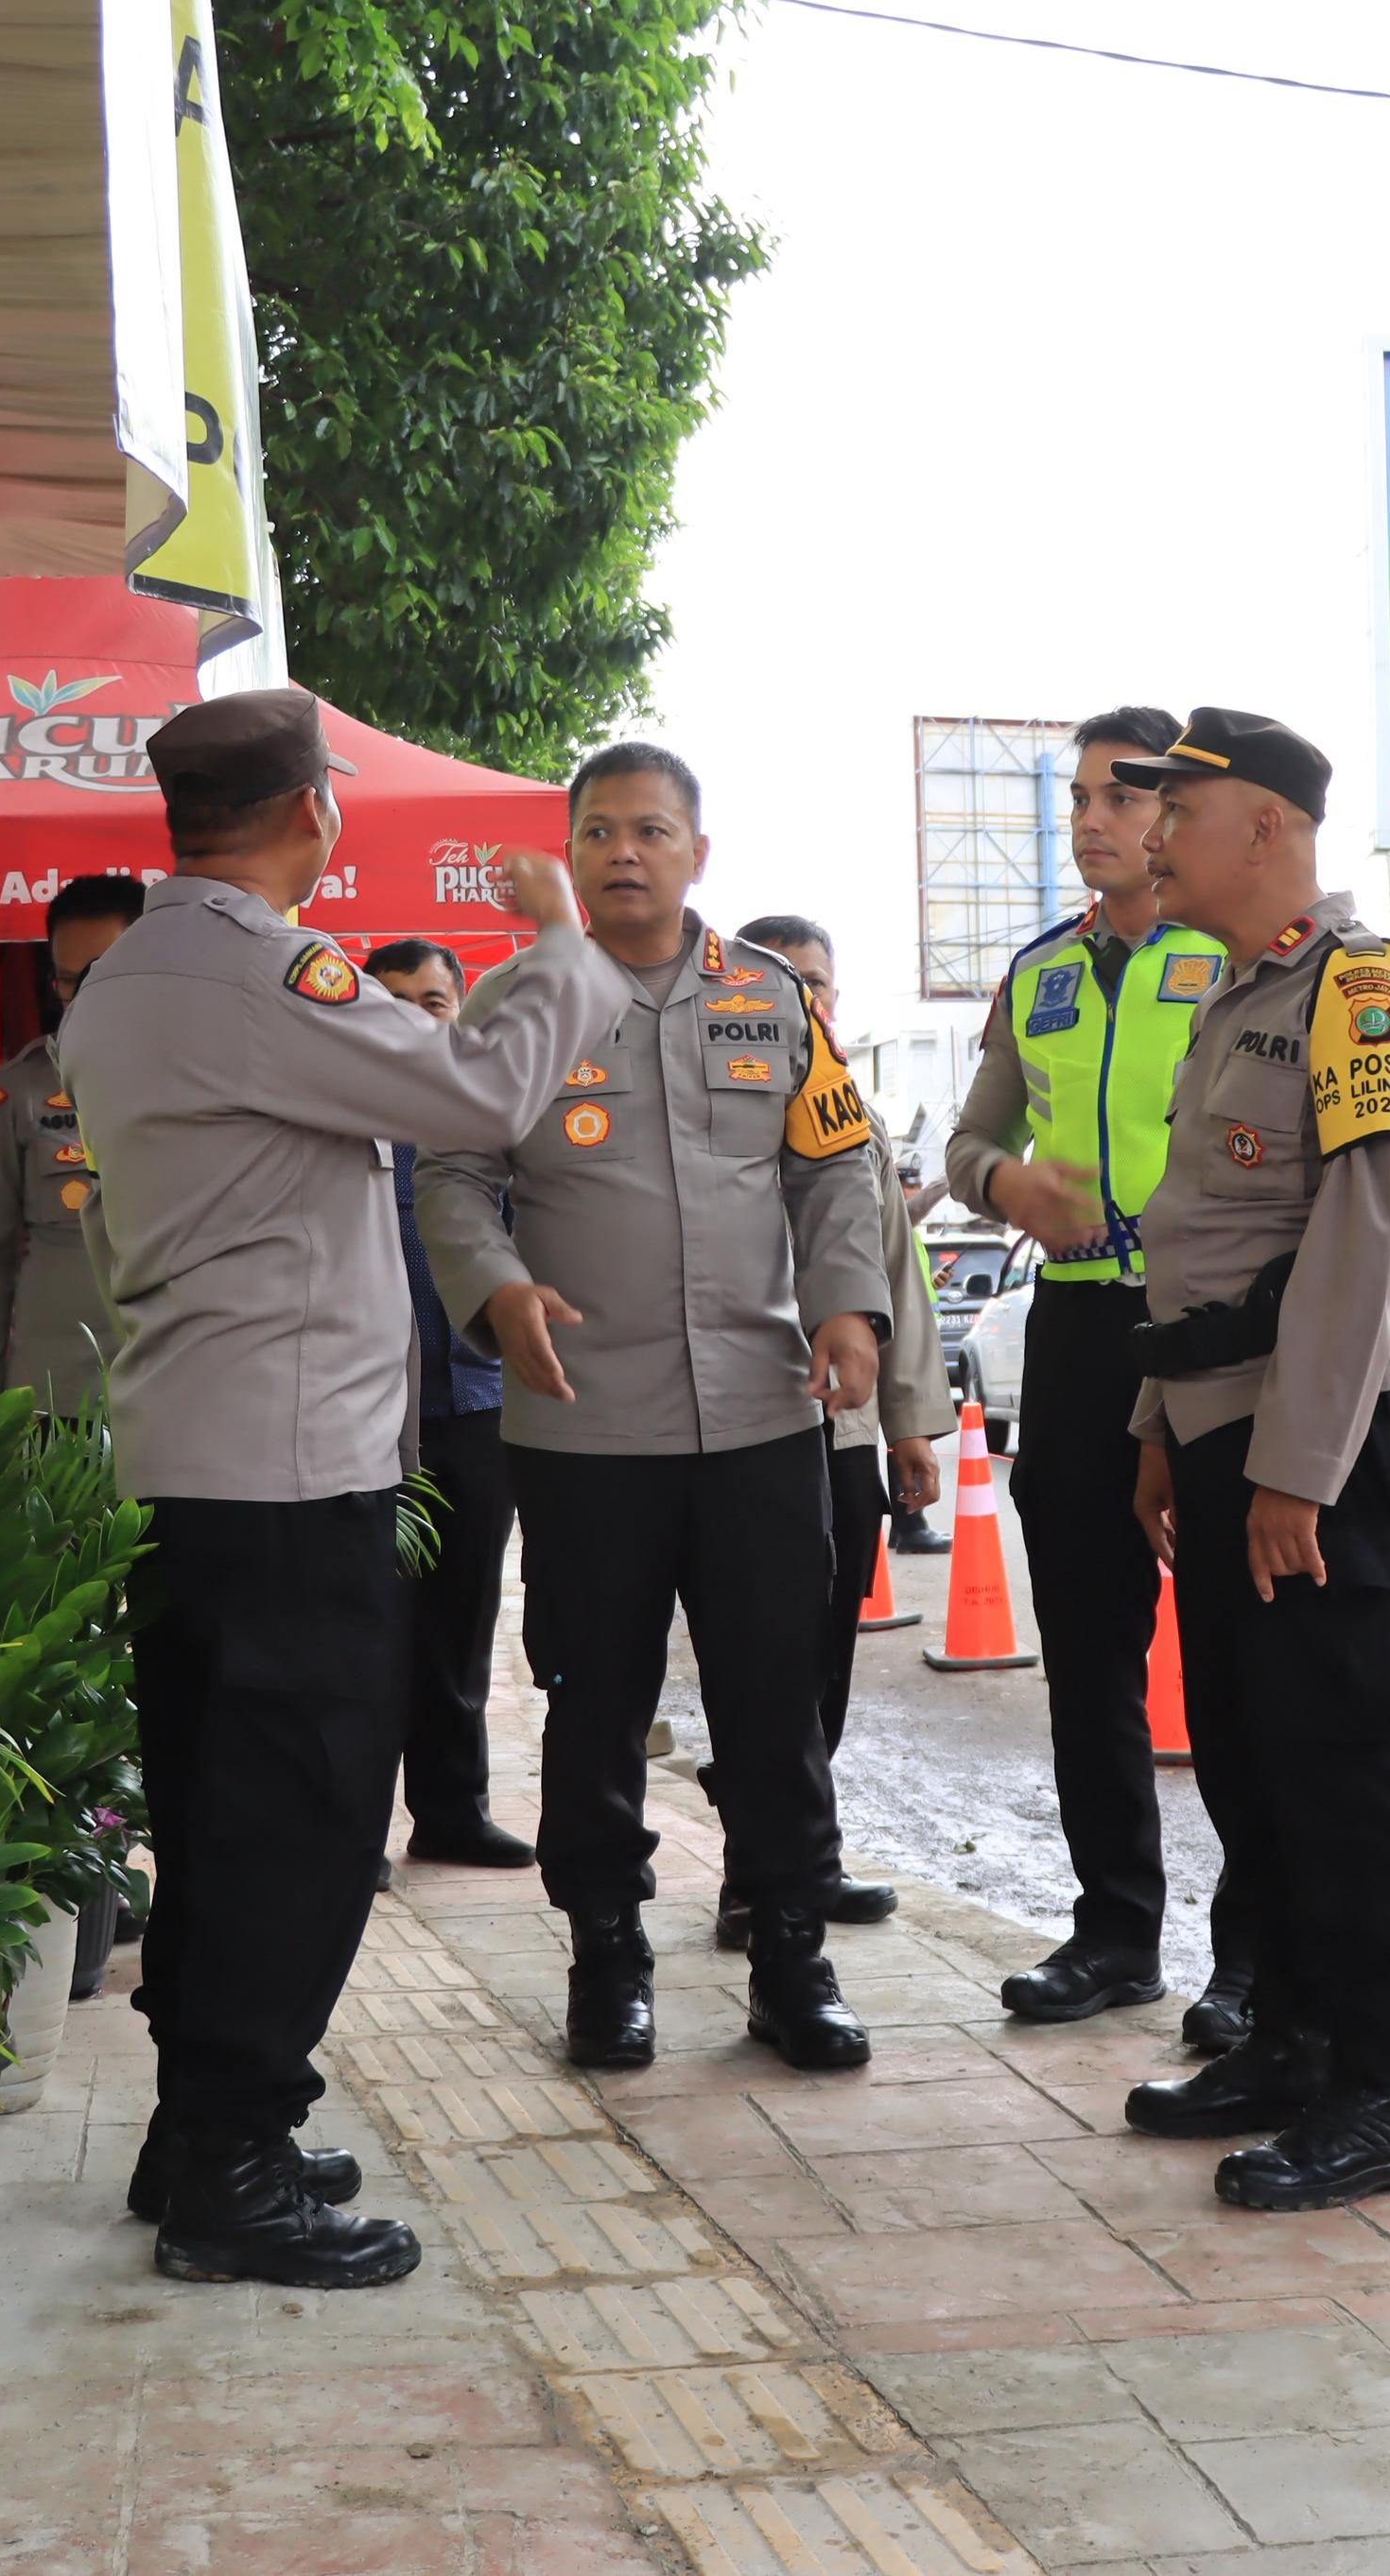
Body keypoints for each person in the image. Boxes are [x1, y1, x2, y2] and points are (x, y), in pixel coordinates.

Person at [58, 689, 627, 2291]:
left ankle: (201, 2127)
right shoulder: (260, 969)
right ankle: (233, 2167)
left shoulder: (120, 982)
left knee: (214, 1804)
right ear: (310, 811)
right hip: (289, 1466)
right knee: (298, 1818)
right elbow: (476, 1097)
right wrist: (558, 943)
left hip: (190, 1451)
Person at [417, 744, 890, 2079]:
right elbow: (450, 1174)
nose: (625, 851)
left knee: (773, 1699)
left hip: (759, 1411)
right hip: (583, 1426)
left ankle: (792, 1954)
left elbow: (835, 1164)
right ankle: (607, 1957)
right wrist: (496, 1290)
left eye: (653, 830)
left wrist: (850, 1307)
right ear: (569, 850)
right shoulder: (517, 1000)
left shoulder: (772, 995)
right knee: (595, 1699)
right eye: (601, 830)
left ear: (698, 850)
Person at [1109, 707, 1390, 2214]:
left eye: (1177, 810)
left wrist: (1296, 1471)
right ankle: (1295, 2037)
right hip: (1218, 1425)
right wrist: (1157, 1439)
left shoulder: (1359, 989)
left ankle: (1389, 2084)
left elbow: (1356, 1241)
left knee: (1342, 1759)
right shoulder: (1233, 993)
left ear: (1264, 826)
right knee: (1255, 1761)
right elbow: (1199, 1247)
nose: (1154, 835)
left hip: (1307, 1433)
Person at [943, 705, 1256, 2042]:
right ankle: (1115, 1927)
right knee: (1087, 1646)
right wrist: (1007, 1180)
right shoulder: (1040, 976)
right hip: (1076, 1334)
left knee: (1244, 1651)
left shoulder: (1238, 957)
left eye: (1122, 795)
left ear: (1175, 812)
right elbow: (967, 1143)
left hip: (1216, 1329)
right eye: (1076, 796)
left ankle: (1253, 1957)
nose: (1092, 818)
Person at [727, 910, 952, 1947]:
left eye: (819, 984)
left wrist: (907, 1421)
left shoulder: (848, 1110)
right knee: (757, 1657)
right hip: (742, 1419)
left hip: (846, 1426)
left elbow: (894, 1267)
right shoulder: (719, 1096)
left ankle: (802, 1861)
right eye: (788, 984)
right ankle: (752, 1873)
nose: (806, 1002)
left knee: (824, 1656)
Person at [361, 938, 536, 1874]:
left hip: (472, 1405)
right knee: (368, 1622)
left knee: (461, 1622)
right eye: (388, 995)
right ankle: (358, 1828)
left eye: (431, 998)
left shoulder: (488, 1122)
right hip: (361, 1412)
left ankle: (451, 1809)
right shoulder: (334, 1113)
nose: (410, 1011)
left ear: (457, 1011)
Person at [0, 874, 147, 1411]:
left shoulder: (201, 1079)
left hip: (173, 1396)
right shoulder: (21, 1089)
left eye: (98, 974)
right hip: (58, 1403)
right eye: (67, 979)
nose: (79, 997)